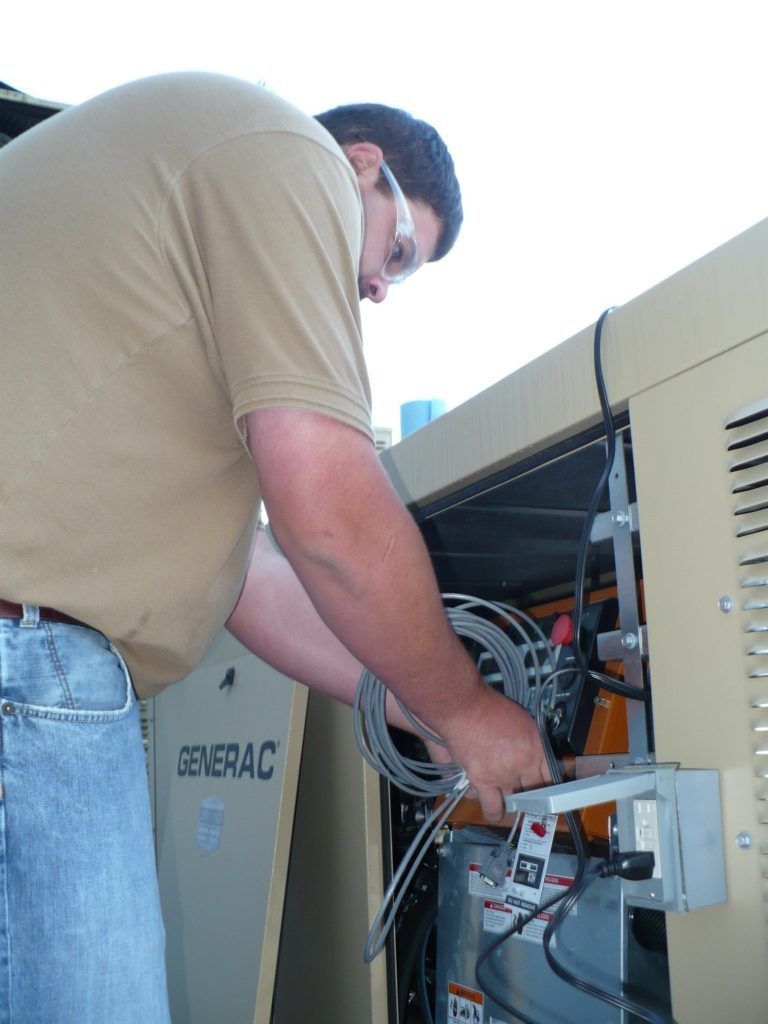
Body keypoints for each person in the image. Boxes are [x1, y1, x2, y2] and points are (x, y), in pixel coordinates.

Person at [0, 72, 549, 1022]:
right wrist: (468, 708)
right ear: (361, 166)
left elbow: (250, 576)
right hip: (28, 669)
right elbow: (328, 513)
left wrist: (412, 702)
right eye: (400, 250)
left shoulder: (181, 216)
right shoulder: (291, 158)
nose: (380, 286)